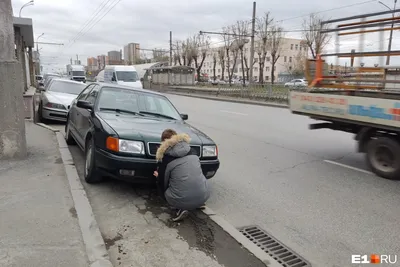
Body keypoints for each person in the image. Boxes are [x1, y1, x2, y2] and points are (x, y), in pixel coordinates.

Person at [153, 129, 210, 221]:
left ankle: (180, 209)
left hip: (181, 199)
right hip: (204, 195)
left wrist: (159, 176)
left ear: (163, 142)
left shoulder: (167, 158)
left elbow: (163, 182)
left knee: (165, 189)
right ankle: (198, 202)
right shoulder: (192, 151)